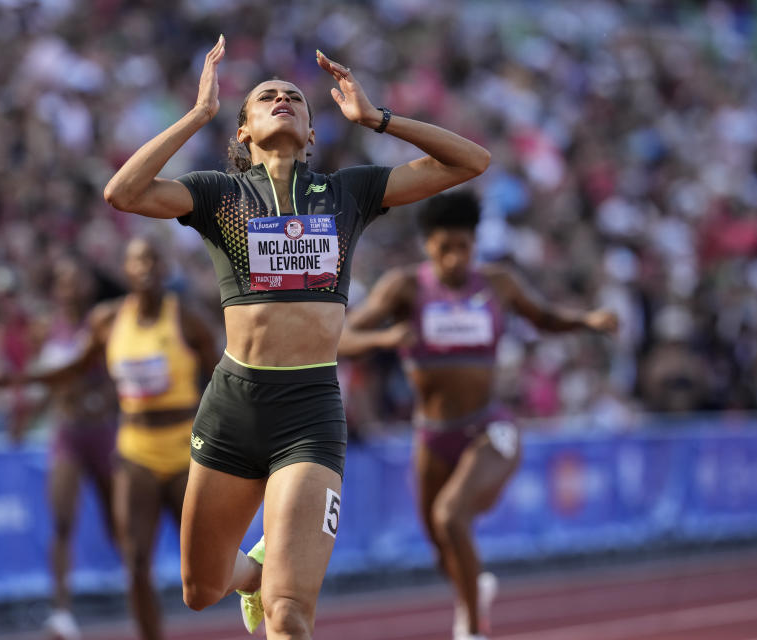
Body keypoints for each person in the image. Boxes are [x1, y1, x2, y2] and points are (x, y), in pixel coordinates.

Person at [103, 35, 491, 639]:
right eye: (265, 97)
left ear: (313, 133)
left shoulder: (348, 194)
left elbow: (471, 162)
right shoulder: (217, 194)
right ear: (243, 133)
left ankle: (276, 579)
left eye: (294, 98)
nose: (283, 99)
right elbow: (122, 193)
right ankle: (256, 569)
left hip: (309, 412)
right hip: (233, 406)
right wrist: (198, 114)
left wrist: (377, 118)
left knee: (288, 617)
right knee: (201, 588)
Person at [338, 192, 619, 640]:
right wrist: (387, 339)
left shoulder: (497, 284)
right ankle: (474, 591)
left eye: (463, 247)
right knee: (440, 548)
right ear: (427, 245)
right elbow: (342, 338)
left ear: (475, 244)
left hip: (490, 427)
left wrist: (587, 321)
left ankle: (471, 628)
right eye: (443, 248)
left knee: (452, 517)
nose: (453, 258)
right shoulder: (404, 288)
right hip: (431, 436)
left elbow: (543, 317)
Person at [0, 237, 218, 640]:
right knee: (135, 561)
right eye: (137, 261)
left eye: (153, 260)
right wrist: (22, 379)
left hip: (184, 448)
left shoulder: (188, 320)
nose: (146, 268)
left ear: (165, 269)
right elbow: (74, 368)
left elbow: (223, 377)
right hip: (135, 450)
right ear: (126, 270)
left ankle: (256, 591)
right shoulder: (107, 321)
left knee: (204, 566)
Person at [3, 256, 118, 640]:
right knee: (62, 521)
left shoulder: (103, 322)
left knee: (116, 521)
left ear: (88, 286)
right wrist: (23, 417)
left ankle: (139, 583)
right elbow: (46, 381)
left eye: (77, 280)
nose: (70, 288)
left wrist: (106, 399)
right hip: (67, 431)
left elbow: (119, 374)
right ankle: (62, 612)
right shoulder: (45, 328)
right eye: (63, 281)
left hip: (102, 431)